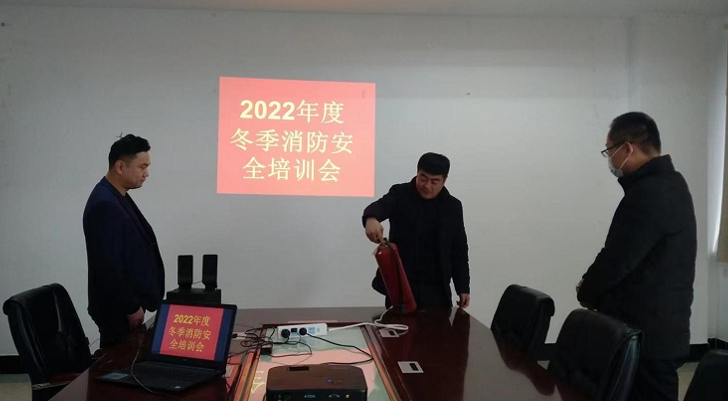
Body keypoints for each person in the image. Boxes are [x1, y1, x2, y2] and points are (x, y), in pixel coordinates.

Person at [577, 112, 696, 401]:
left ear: (627, 148)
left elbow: (617, 259)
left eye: (610, 151)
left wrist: (587, 291)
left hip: (648, 337)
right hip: (661, 328)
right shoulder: (671, 183)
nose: (610, 159)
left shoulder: (649, 192)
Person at [83, 134, 165, 348]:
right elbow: (108, 264)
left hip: (127, 307)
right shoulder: (104, 204)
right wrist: (131, 306)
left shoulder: (117, 196)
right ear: (120, 166)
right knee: (117, 363)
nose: (146, 173)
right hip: (118, 310)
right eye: (142, 167)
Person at [362, 152, 470, 309]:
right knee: (396, 323)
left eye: (434, 181)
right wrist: (371, 218)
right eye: (423, 178)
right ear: (417, 172)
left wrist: (463, 287)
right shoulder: (400, 194)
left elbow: (459, 250)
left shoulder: (452, 206)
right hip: (401, 284)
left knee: (439, 324)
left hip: (437, 288)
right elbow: (381, 206)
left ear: (444, 180)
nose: (427, 186)